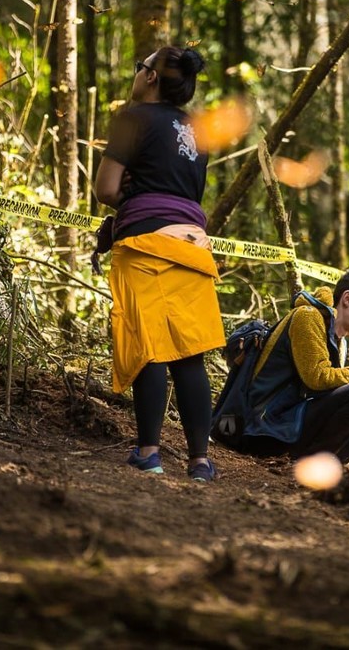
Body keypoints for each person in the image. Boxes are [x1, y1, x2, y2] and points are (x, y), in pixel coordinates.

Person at [94, 46, 224, 482]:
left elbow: (106, 189)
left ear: (151, 78)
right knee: (189, 354)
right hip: (192, 245)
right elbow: (184, 194)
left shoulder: (133, 118)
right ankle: (200, 462)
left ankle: (149, 453)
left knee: (150, 347)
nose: (136, 74)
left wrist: (126, 194)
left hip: (146, 244)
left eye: (140, 67)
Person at [226, 265, 349, 464]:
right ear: (347, 299)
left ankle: (331, 463)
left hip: (293, 424)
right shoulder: (308, 316)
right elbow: (317, 378)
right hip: (263, 430)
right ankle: (313, 462)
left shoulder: (341, 342)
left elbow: (326, 391)